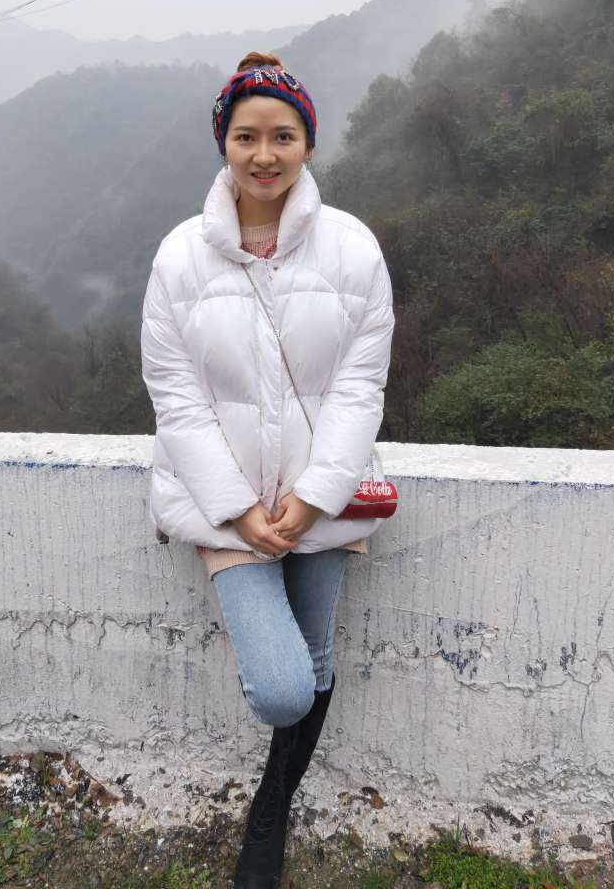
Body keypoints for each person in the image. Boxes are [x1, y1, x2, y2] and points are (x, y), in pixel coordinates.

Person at [140, 51, 395, 888]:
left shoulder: (352, 248)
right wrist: (239, 508)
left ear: (308, 144)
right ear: (223, 143)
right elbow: (175, 397)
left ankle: (270, 809)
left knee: (315, 658)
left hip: (323, 498)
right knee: (287, 687)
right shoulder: (180, 256)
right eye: (246, 135)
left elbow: (360, 386)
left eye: (283, 135)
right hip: (228, 508)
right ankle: (277, 795)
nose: (264, 154)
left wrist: (314, 497)